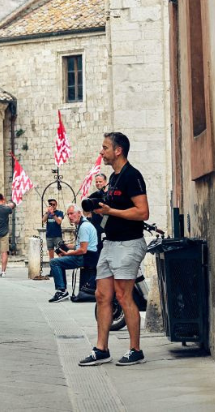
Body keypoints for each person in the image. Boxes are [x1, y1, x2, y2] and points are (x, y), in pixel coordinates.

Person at [79, 132, 149, 367]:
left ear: (118, 150)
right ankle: (101, 349)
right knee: (102, 295)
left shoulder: (132, 176)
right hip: (110, 243)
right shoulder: (114, 177)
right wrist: (101, 210)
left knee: (123, 295)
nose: (102, 152)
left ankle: (135, 350)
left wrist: (112, 212)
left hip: (129, 243)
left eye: (105, 148)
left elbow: (142, 212)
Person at [47, 205, 98, 302]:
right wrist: (67, 246)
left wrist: (68, 254)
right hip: (89, 256)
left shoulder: (84, 227)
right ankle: (62, 290)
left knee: (54, 262)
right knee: (59, 262)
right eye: (68, 214)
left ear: (79, 213)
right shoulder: (83, 224)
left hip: (85, 257)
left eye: (72, 213)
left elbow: (83, 250)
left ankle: (61, 291)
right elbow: (82, 245)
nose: (70, 216)